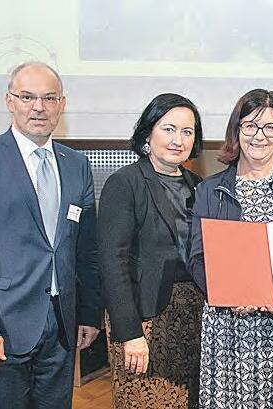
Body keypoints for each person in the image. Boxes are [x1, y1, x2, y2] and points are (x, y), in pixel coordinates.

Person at [0, 61, 101, 408]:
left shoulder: (77, 164)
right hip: (0, 328)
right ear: (9, 100)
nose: (39, 107)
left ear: (62, 104)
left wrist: (89, 313)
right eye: (27, 97)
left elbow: (86, 249)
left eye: (49, 98)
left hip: (62, 327)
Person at [188, 89, 273, 408]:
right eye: (250, 126)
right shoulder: (210, 190)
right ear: (237, 131)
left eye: (269, 127)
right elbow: (197, 258)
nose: (259, 136)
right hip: (228, 326)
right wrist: (232, 295)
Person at [98, 93, 205, 408]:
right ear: (148, 134)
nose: (178, 140)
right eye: (168, 129)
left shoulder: (199, 185)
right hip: (144, 321)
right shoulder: (125, 183)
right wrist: (129, 333)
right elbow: (112, 262)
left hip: (195, 321)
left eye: (187, 131)